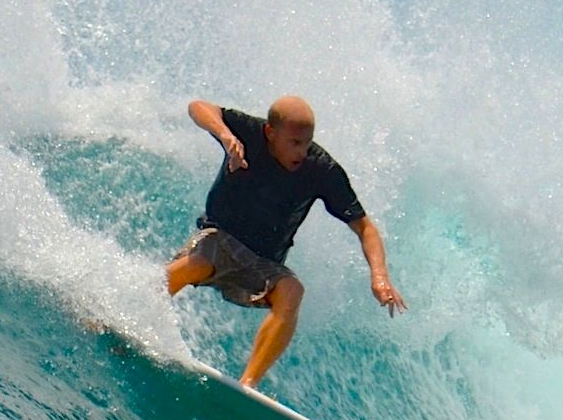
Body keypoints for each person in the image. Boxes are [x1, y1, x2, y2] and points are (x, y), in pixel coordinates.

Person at [166, 95, 405, 388]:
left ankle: (249, 384)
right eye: (294, 142)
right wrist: (226, 136)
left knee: (292, 290)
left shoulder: (321, 169)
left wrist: (379, 277)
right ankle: (137, 307)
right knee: (199, 264)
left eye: (307, 142)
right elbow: (198, 107)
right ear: (271, 132)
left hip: (263, 263)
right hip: (220, 237)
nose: (303, 151)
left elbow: (365, 227)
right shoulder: (250, 133)